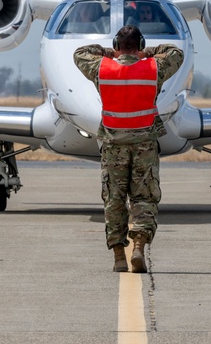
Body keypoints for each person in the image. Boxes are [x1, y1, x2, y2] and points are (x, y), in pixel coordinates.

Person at [73, 25, 184, 273]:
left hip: (113, 145)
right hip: (144, 144)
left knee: (114, 200)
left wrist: (107, 52)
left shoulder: (102, 68)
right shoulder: (153, 68)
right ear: (140, 44)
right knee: (144, 198)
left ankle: (118, 257)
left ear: (117, 44)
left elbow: (80, 53)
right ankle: (139, 249)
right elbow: (176, 53)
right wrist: (149, 52)